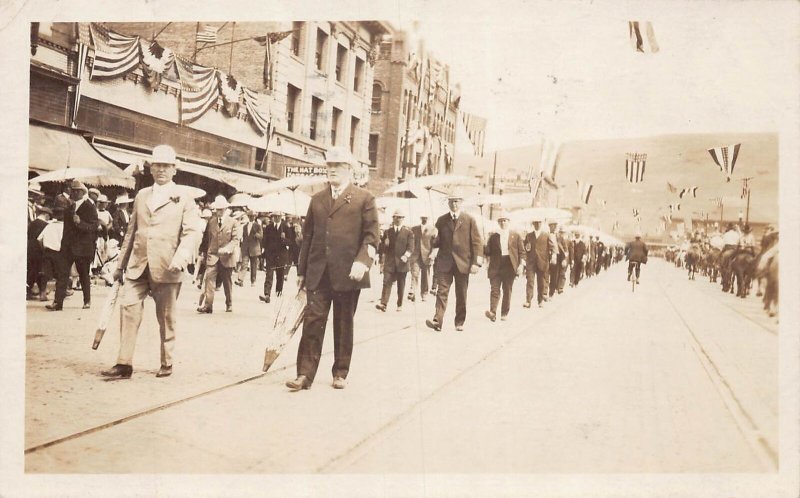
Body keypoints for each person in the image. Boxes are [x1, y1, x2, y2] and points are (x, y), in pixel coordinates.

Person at [101, 145, 201, 379]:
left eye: (167, 166)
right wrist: (119, 266)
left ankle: (167, 361)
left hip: (168, 266)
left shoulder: (185, 198)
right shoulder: (142, 195)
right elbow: (131, 232)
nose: (162, 170)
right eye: (157, 165)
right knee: (128, 307)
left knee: (166, 317)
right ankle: (124, 363)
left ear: (175, 169)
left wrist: (182, 256)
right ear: (151, 168)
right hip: (138, 264)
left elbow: (192, 232)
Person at [286, 146, 379, 391]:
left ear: (349, 170)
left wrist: (363, 262)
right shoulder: (317, 200)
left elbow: (372, 237)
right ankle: (304, 374)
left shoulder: (364, 199)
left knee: (343, 322)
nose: (332, 170)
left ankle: (340, 371)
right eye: (329, 166)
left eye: (337, 166)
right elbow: (308, 237)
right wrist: (302, 271)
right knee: (312, 322)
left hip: (349, 273)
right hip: (319, 273)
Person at [425, 188, 482, 332]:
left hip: (463, 263)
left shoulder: (469, 220)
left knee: (461, 294)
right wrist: (432, 236)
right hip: (445, 263)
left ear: (461, 202)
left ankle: (459, 322)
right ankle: (437, 320)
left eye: (456, 201)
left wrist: (476, 263)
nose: (454, 204)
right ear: (448, 203)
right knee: (441, 292)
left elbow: (477, 242)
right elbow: (437, 243)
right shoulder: (441, 220)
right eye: (451, 201)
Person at [48, 180, 98, 311]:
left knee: (83, 275)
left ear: (82, 192)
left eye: (77, 190)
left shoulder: (89, 206)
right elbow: (66, 229)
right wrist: (63, 245)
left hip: (83, 248)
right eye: (72, 190)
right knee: (62, 274)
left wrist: (80, 222)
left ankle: (87, 301)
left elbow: (94, 227)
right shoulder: (69, 208)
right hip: (68, 247)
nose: (74, 192)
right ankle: (57, 303)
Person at [197, 195, 240, 313]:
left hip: (227, 257)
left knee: (227, 282)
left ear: (226, 209)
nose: (219, 212)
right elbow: (206, 239)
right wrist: (202, 252)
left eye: (221, 209)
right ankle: (208, 305)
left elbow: (236, 239)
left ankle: (229, 303)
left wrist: (228, 249)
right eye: (217, 209)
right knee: (209, 280)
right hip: (213, 255)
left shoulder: (233, 222)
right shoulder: (211, 222)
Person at [484, 211, 524, 321]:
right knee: (495, 289)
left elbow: (522, 252)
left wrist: (521, 265)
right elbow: (488, 252)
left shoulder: (515, 236)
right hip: (496, 265)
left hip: (509, 265)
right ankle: (492, 312)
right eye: (500, 221)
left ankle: (504, 313)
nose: (503, 223)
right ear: (498, 223)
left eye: (505, 221)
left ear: (509, 222)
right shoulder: (493, 237)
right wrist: (484, 245)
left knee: (507, 289)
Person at [376, 208, 415, 312]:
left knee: (401, 285)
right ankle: (383, 304)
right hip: (390, 262)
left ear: (403, 219)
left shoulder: (408, 232)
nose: (398, 219)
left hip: (402, 263)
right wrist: (385, 244)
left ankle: (399, 303)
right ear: (393, 218)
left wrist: (406, 256)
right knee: (386, 282)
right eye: (396, 217)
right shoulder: (387, 232)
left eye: (400, 217)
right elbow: (382, 249)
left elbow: (411, 247)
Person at [260, 211, 291, 303]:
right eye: (275, 216)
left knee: (280, 275)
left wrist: (284, 239)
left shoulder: (285, 227)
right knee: (269, 274)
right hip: (271, 255)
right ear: (273, 217)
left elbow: (290, 242)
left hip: (281, 255)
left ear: (281, 217)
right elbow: (264, 240)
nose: (277, 218)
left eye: (278, 216)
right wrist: (264, 251)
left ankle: (278, 291)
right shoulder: (269, 227)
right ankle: (267, 294)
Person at [523, 219, 554, 308]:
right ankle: (528, 301)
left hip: (542, 262)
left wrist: (551, 257)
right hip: (531, 262)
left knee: (541, 282)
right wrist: (527, 248)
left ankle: (540, 300)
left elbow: (551, 247)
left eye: (539, 222)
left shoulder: (546, 235)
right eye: (535, 223)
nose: (537, 224)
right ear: (533, 224)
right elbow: (525, 247)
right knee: (530, 281)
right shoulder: (529, 235)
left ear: (542, 223)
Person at [409, 215, 436, 303]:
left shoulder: (433, 230)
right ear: (420, 219)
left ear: (428, 219)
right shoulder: (414, 229)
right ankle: (412, 291)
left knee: (425, 276)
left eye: (426, 218)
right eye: (423, 218)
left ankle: (424, 294)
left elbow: (435, 244)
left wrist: (432, 254)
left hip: (427, 256)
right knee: (414, 273)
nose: (424, 219)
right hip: (416, 255)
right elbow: (410, 241)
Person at [27, 205, 51, 300]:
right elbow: (42, 239)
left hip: (30, 250)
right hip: (40, 251)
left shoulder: (32, 223)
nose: (49, 218)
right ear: (46, 215)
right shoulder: (45, 225)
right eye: (49, 216)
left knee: (32, 270)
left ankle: (31, 290)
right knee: (39, 271)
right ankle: (41, 292)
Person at [239, 209, 263, 287]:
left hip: (254, 248)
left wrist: (256, 234)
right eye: (250, 216)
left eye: (253, 216)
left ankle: (253, 281)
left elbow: (261, 236)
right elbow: (244, 237)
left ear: (255, 217)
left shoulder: (258, 226)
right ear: (248, 217)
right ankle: (241, 279)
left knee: (253, 265)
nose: (251, 217)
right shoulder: (245, 226)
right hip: (246, 247)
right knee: (244, 264)